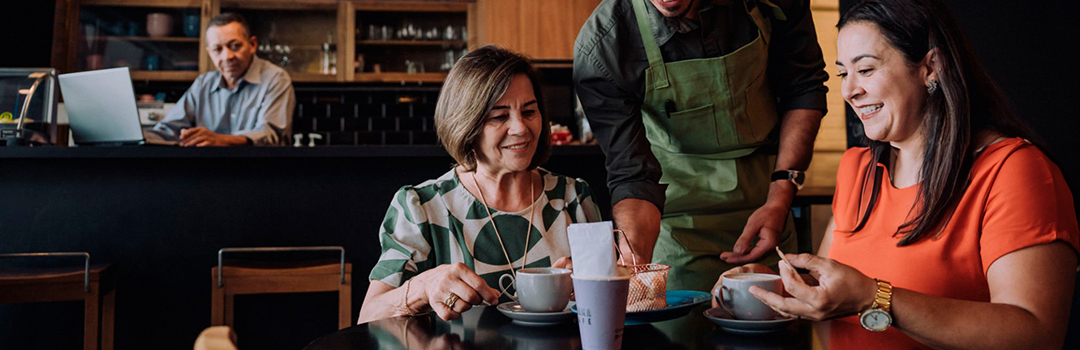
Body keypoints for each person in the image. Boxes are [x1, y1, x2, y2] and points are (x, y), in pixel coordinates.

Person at [713, 0, 1079, 348]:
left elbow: (1036, 335)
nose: (850, 91)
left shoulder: (1013, 170)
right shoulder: (858, 168)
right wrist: (766, 286)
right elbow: (830, 290)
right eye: (844, 73)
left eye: (866, 69)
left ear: (930, 67)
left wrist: (876, 298)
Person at [573, 0, 830, 291]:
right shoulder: (604, 47)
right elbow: (632, 173)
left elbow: (803, 86)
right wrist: (635, 259)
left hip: (770, 210)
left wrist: (780, 199)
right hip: (677, 225)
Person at [358, 46, 603, 323]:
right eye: (499, 116)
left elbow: (617, 306)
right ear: (467, 124)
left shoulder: (574, 197)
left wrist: (592, 289)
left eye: (529, 111)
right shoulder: (422, 208)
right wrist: (423, 287)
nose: (520, 128)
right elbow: (368, 317)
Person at [149, 13, 295, 146]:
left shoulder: (276, 79)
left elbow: (271, 135)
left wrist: (221, 139)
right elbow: (168, 130)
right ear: (209, 53)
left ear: (252, 45)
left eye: (235, 46)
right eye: (218, 49)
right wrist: (137, 137)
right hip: (208, 171)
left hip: (259, 171)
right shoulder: (203, 84)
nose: (227, 56)